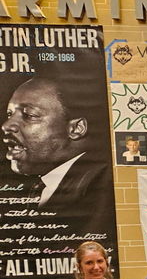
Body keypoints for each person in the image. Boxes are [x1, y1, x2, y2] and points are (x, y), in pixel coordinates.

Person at [1, 75, 113, 234]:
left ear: (76, 129)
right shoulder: (44, 185)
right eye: (9, 114)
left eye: (29, 115)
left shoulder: (99, 189)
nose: (7, 126)